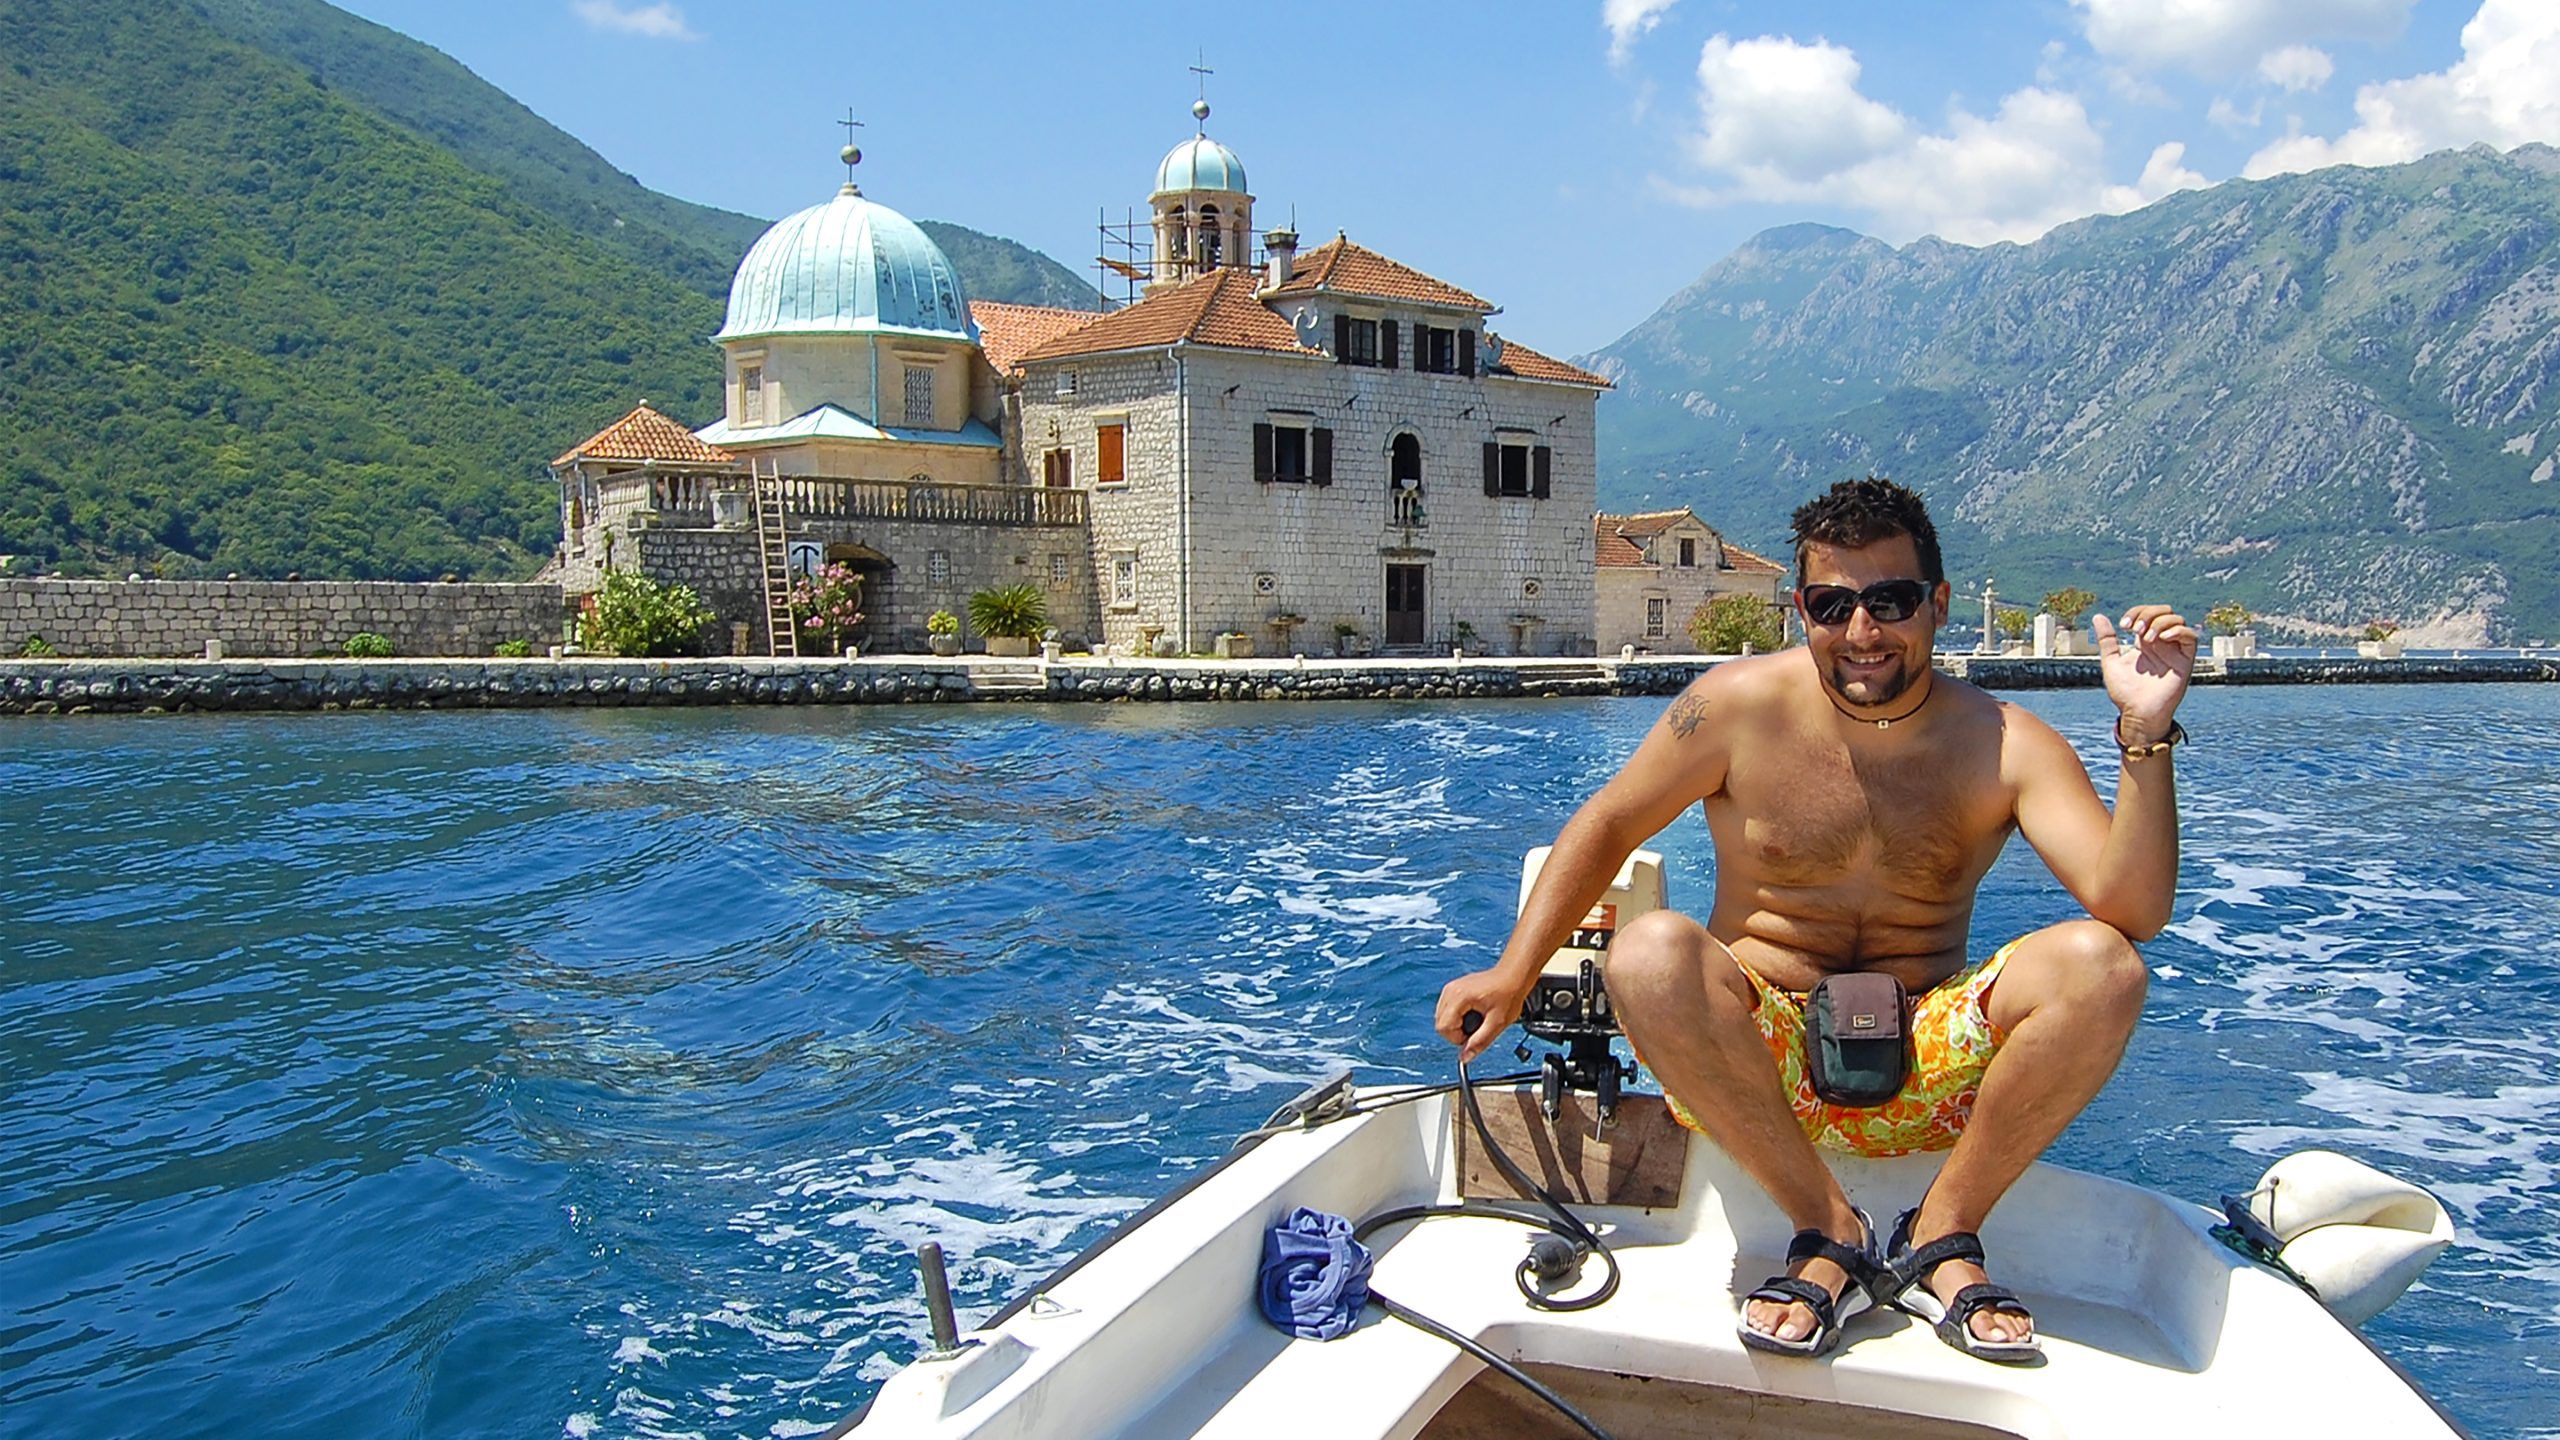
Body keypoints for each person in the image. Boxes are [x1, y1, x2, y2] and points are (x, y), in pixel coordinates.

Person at [1434, 477, 2192, 1363]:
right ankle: (1827, 1229)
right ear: (1802, 611)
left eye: (1890, 601)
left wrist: (2143, 734)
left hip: (1927, 1065)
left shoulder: (2006, 742)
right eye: (1834, 605)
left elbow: (2132, 909)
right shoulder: (1733, 707)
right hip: (1761, 1057)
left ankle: (1942, 1230)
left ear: (1937, 604)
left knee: (2102, 964)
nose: (1862, 633)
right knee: (1648, 952)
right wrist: (1513, 973)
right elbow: (1607, 823)